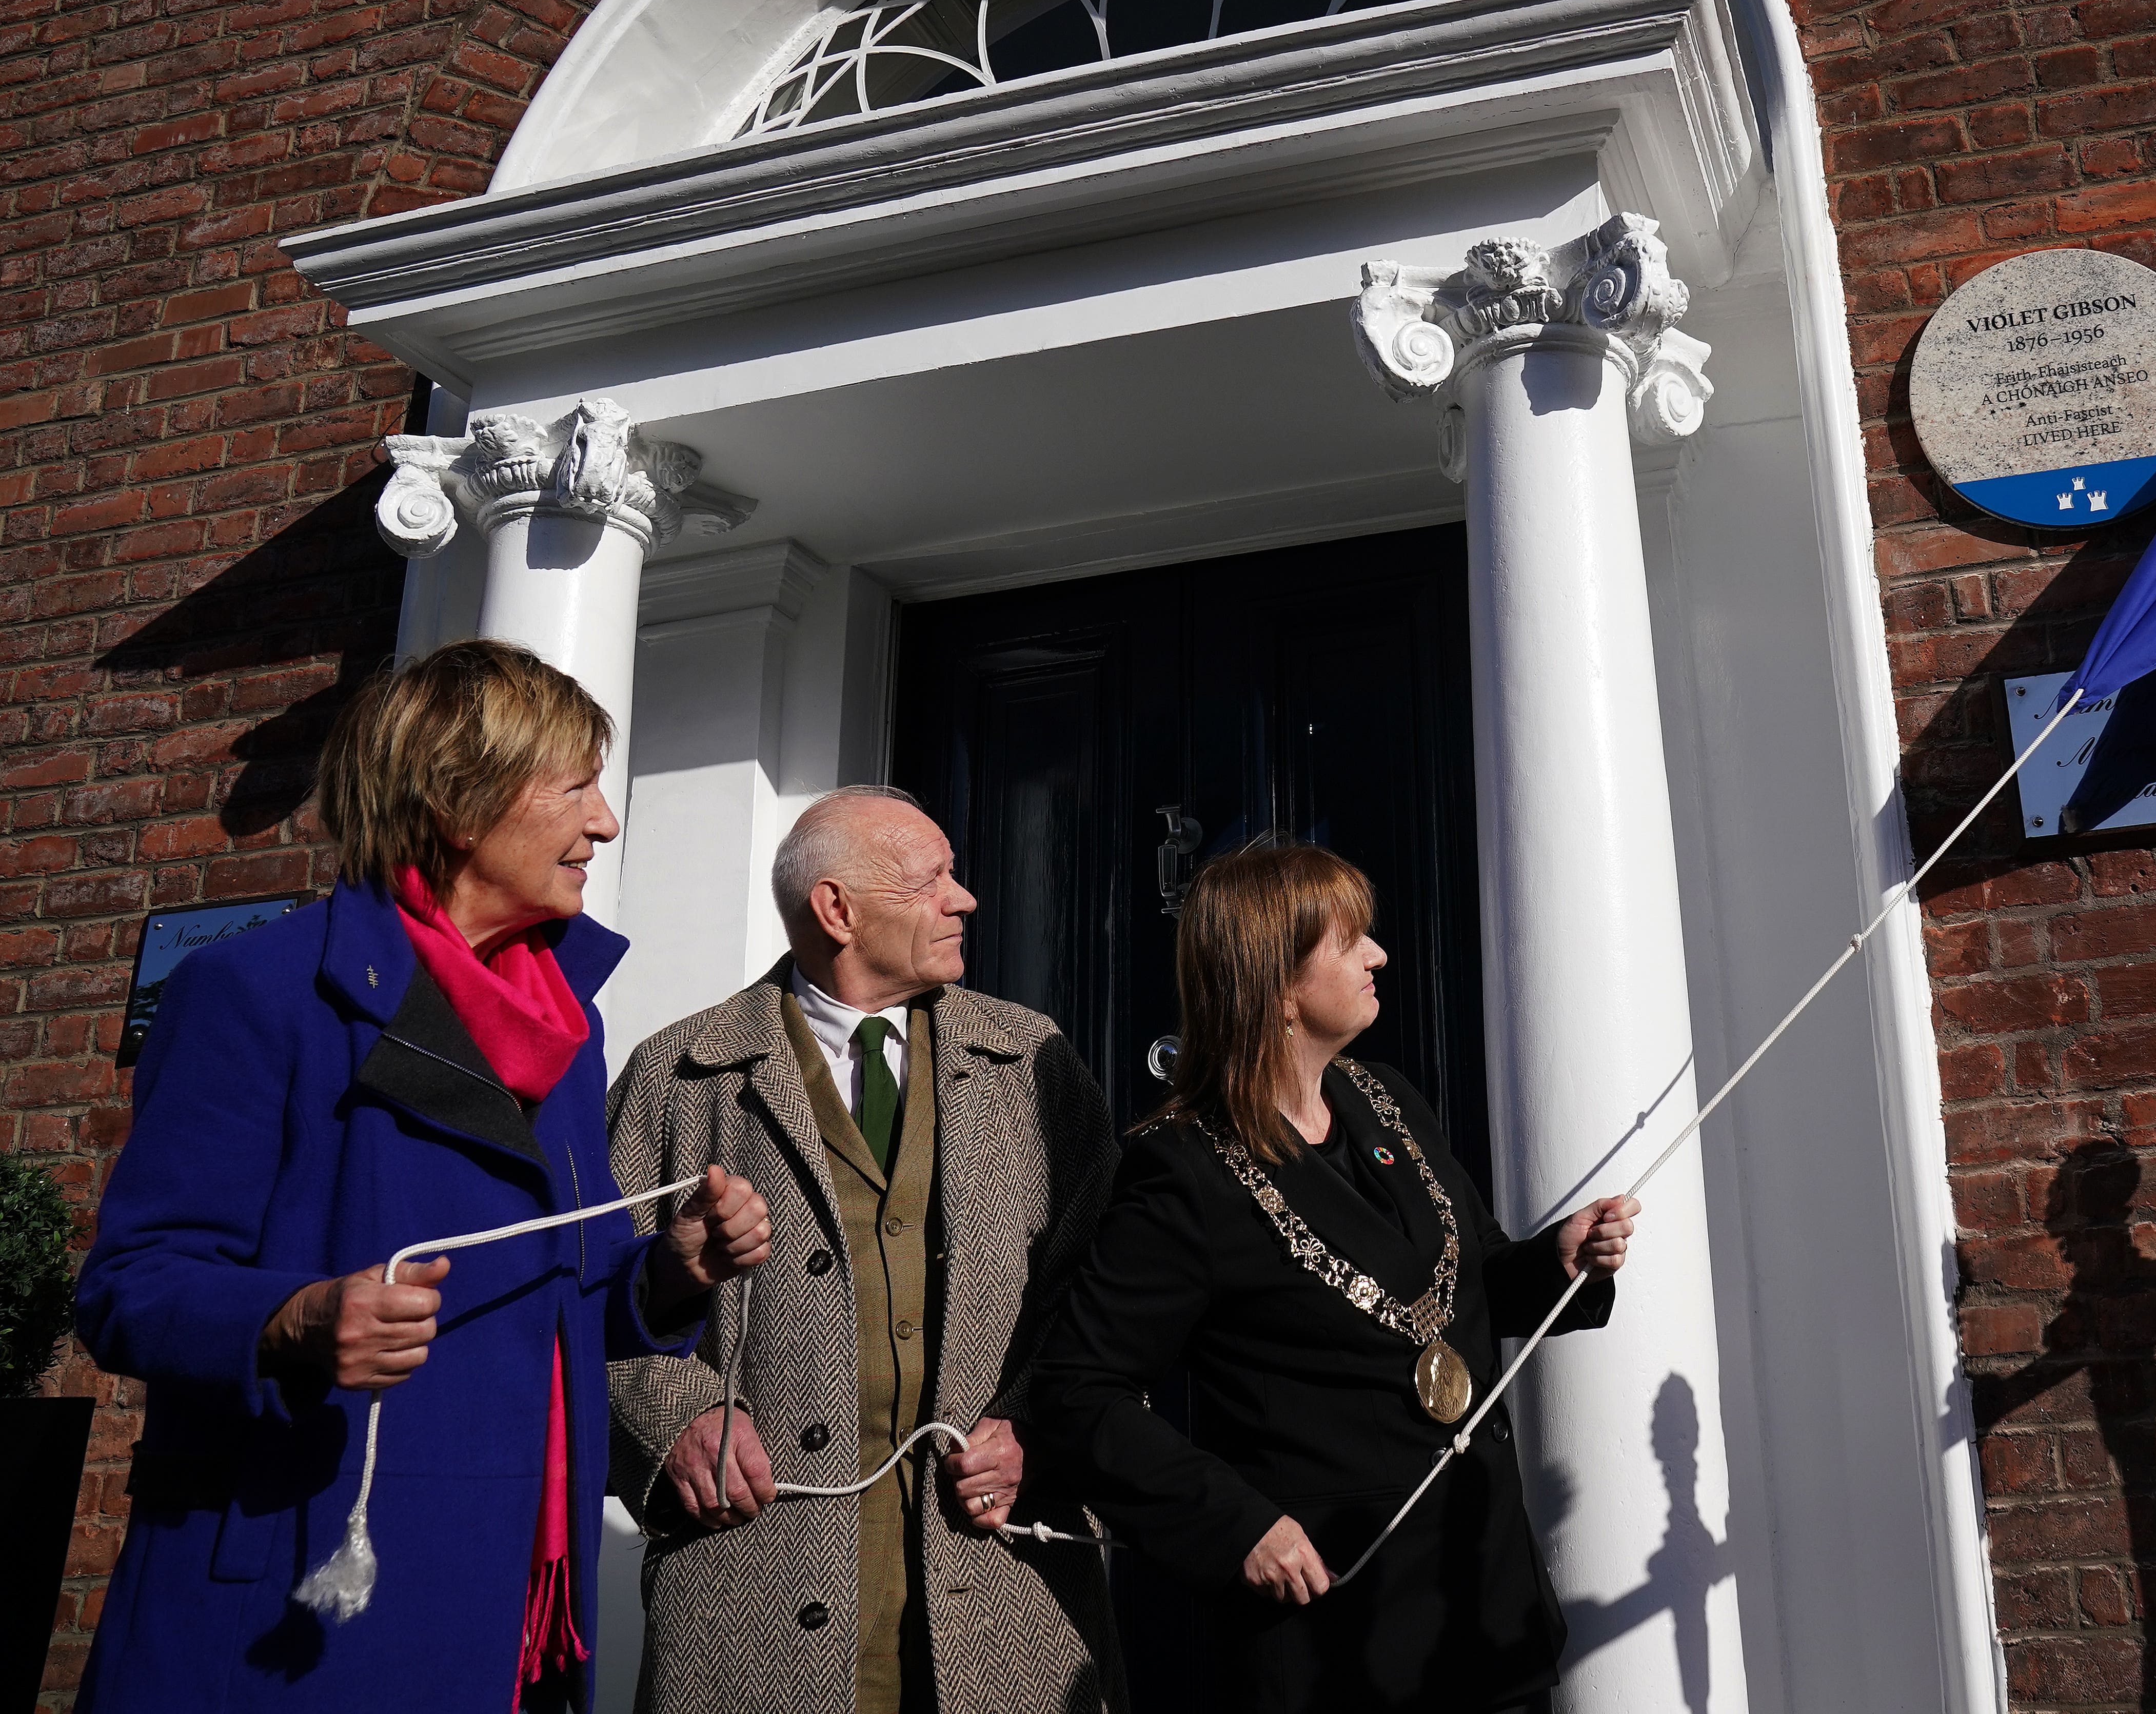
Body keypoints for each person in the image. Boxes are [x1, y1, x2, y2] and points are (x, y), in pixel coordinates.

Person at [73, 638, 774, 1713]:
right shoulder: (257, 992)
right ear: (459, 798)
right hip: (302, 1604)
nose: (606, 821)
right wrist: (295, 1318)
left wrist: (672, 1271)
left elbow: (544, 1302)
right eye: (577, 784)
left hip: (520, 1603)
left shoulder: (567, 1026)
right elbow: (130, 1284)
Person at [1028, 842, 1640, 1714]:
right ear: (1278, 984)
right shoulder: (1185, 1171)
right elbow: (1078, 1393)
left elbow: (1463, 1296)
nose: (1378, 955)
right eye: (1350, 939)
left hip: (1482, 1609)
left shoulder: (1386, 1098)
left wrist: (1560, 1261)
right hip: (1339, 1637)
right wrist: (1239, 1527)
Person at [604, 785, 1124, 1714]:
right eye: (933, 882)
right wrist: (676, 1419)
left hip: (1004, 1591)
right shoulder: (678, 1076)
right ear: (837, 910)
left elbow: (1114, 1290)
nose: (965, 899)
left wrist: (1040, 1426)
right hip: (749, 1597)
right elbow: (584, 1305)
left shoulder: (1031, 1061)